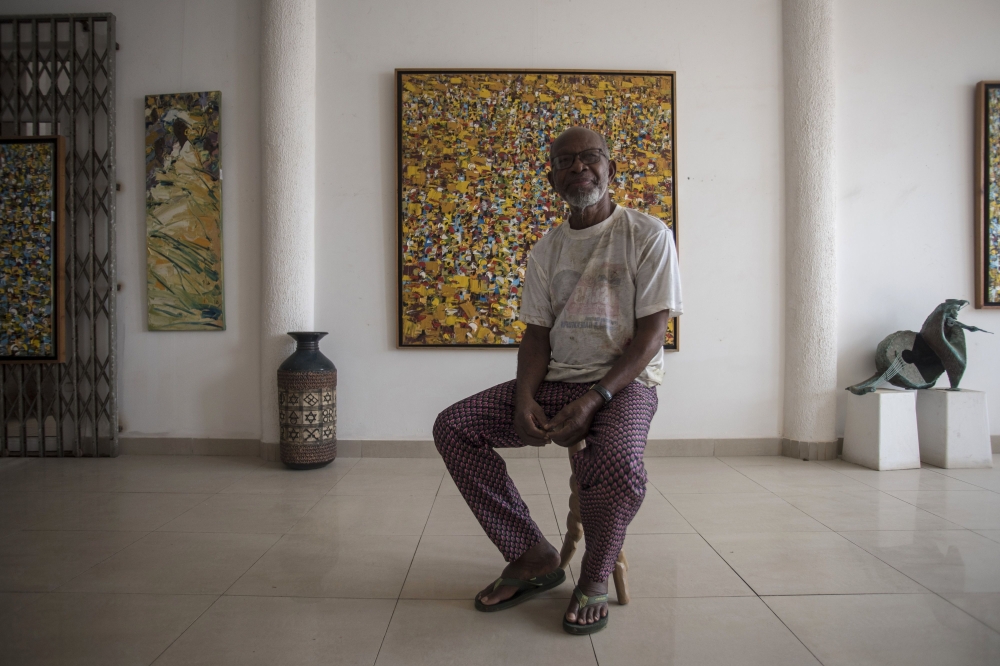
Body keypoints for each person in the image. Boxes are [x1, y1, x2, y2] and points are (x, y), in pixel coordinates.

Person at [433, 126, 682, 635]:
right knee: (454, 427)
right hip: (558, 380)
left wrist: (596, 399)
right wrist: (525, 397)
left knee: (617, 461)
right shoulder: (546, 249)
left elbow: (653, 334)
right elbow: (537, 335)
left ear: (611, 168)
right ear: (552, 177)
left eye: (590, 157)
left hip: (624, 385)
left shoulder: (648, 234)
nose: (578, 168)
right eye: (565, 161)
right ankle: (532, 555)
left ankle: (593, 576)